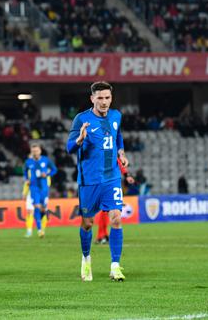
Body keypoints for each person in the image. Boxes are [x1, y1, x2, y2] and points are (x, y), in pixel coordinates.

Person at [67, 81, 129, 282]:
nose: (104, 102)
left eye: (107, 98)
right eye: (100, 98)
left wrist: (121, 152)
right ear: (92, 98)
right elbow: (69, 148)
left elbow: (118, 136)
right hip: (90, 180)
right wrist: (80, 140)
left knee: (116, 218)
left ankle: (115, 266)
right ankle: (86, 259)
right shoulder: (81, 119)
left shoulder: (116, 116)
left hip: (112, 177)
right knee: (87, 223)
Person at [96, 158, 134, 244]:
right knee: (105, 210)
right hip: (103, 183)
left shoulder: (110, 153)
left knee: (106, 211)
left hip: (110, 184)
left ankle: (103, 235)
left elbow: (119, 163)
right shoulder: (104, 152)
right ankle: (101, 235)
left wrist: (126, 175)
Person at [23, 143, 58, 238]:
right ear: (31, 152)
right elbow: (25, 171)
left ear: (40, 151)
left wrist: (47, 174)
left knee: (43, 209)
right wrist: (26, 179)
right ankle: (39, 230)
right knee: (36, 207)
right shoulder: (28, 162)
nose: (35, 153)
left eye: (36, 151)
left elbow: (54, 170)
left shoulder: (45, 160)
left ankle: (41, 227)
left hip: (44, 188)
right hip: (34, 188)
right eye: (33, 151)